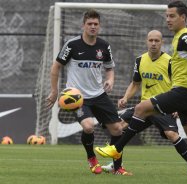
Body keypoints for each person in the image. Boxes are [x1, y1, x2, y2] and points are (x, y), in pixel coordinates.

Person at [95, 1, 187, 183]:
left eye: (172, 16)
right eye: (167, 15)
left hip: (184, 91)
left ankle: (117, 148)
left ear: (183, 17)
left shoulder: (185, 37)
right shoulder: (179, 37)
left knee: (141, 108)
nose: (167, 19)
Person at [101, 30, 187, 175]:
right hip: (144, 108)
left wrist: (176, 106)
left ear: (162, 42)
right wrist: (125, 98)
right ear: (146, 41)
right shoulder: (140, 60)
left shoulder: (170, 61)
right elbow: (135, 83)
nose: (153, 43)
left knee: (172, 135)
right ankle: (116, 164)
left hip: (163, 107)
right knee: (118, 127)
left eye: (157, 41)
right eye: (151, 40)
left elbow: (178, 84)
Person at [46, 9, 132, 176]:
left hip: (99, 95)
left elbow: (109, 68)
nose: (93, 27)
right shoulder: (72, 45)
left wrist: (110, 80)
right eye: (89, 24)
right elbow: (56, 67)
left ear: (99, 26)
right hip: (77, 97)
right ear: (83, 25)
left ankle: (117, 167)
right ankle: (92, 158)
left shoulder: (104, 46)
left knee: (117, 130)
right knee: (88, 126)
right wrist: (55, 90)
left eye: (96, 24)